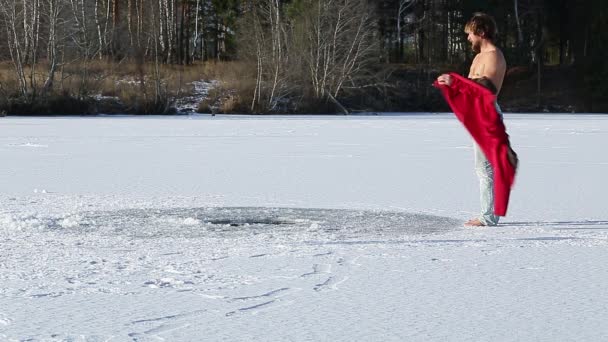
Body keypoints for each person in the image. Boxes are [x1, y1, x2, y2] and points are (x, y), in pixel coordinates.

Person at [436, 12, 516, 227]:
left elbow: (486, 89)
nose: (468, 38)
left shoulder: (493, 56)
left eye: (470, 34)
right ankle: (489, 214)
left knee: (485, 168)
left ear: (481, 32)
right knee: (483, 168)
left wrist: (455, 81)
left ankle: (488, 217)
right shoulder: (480, 56)